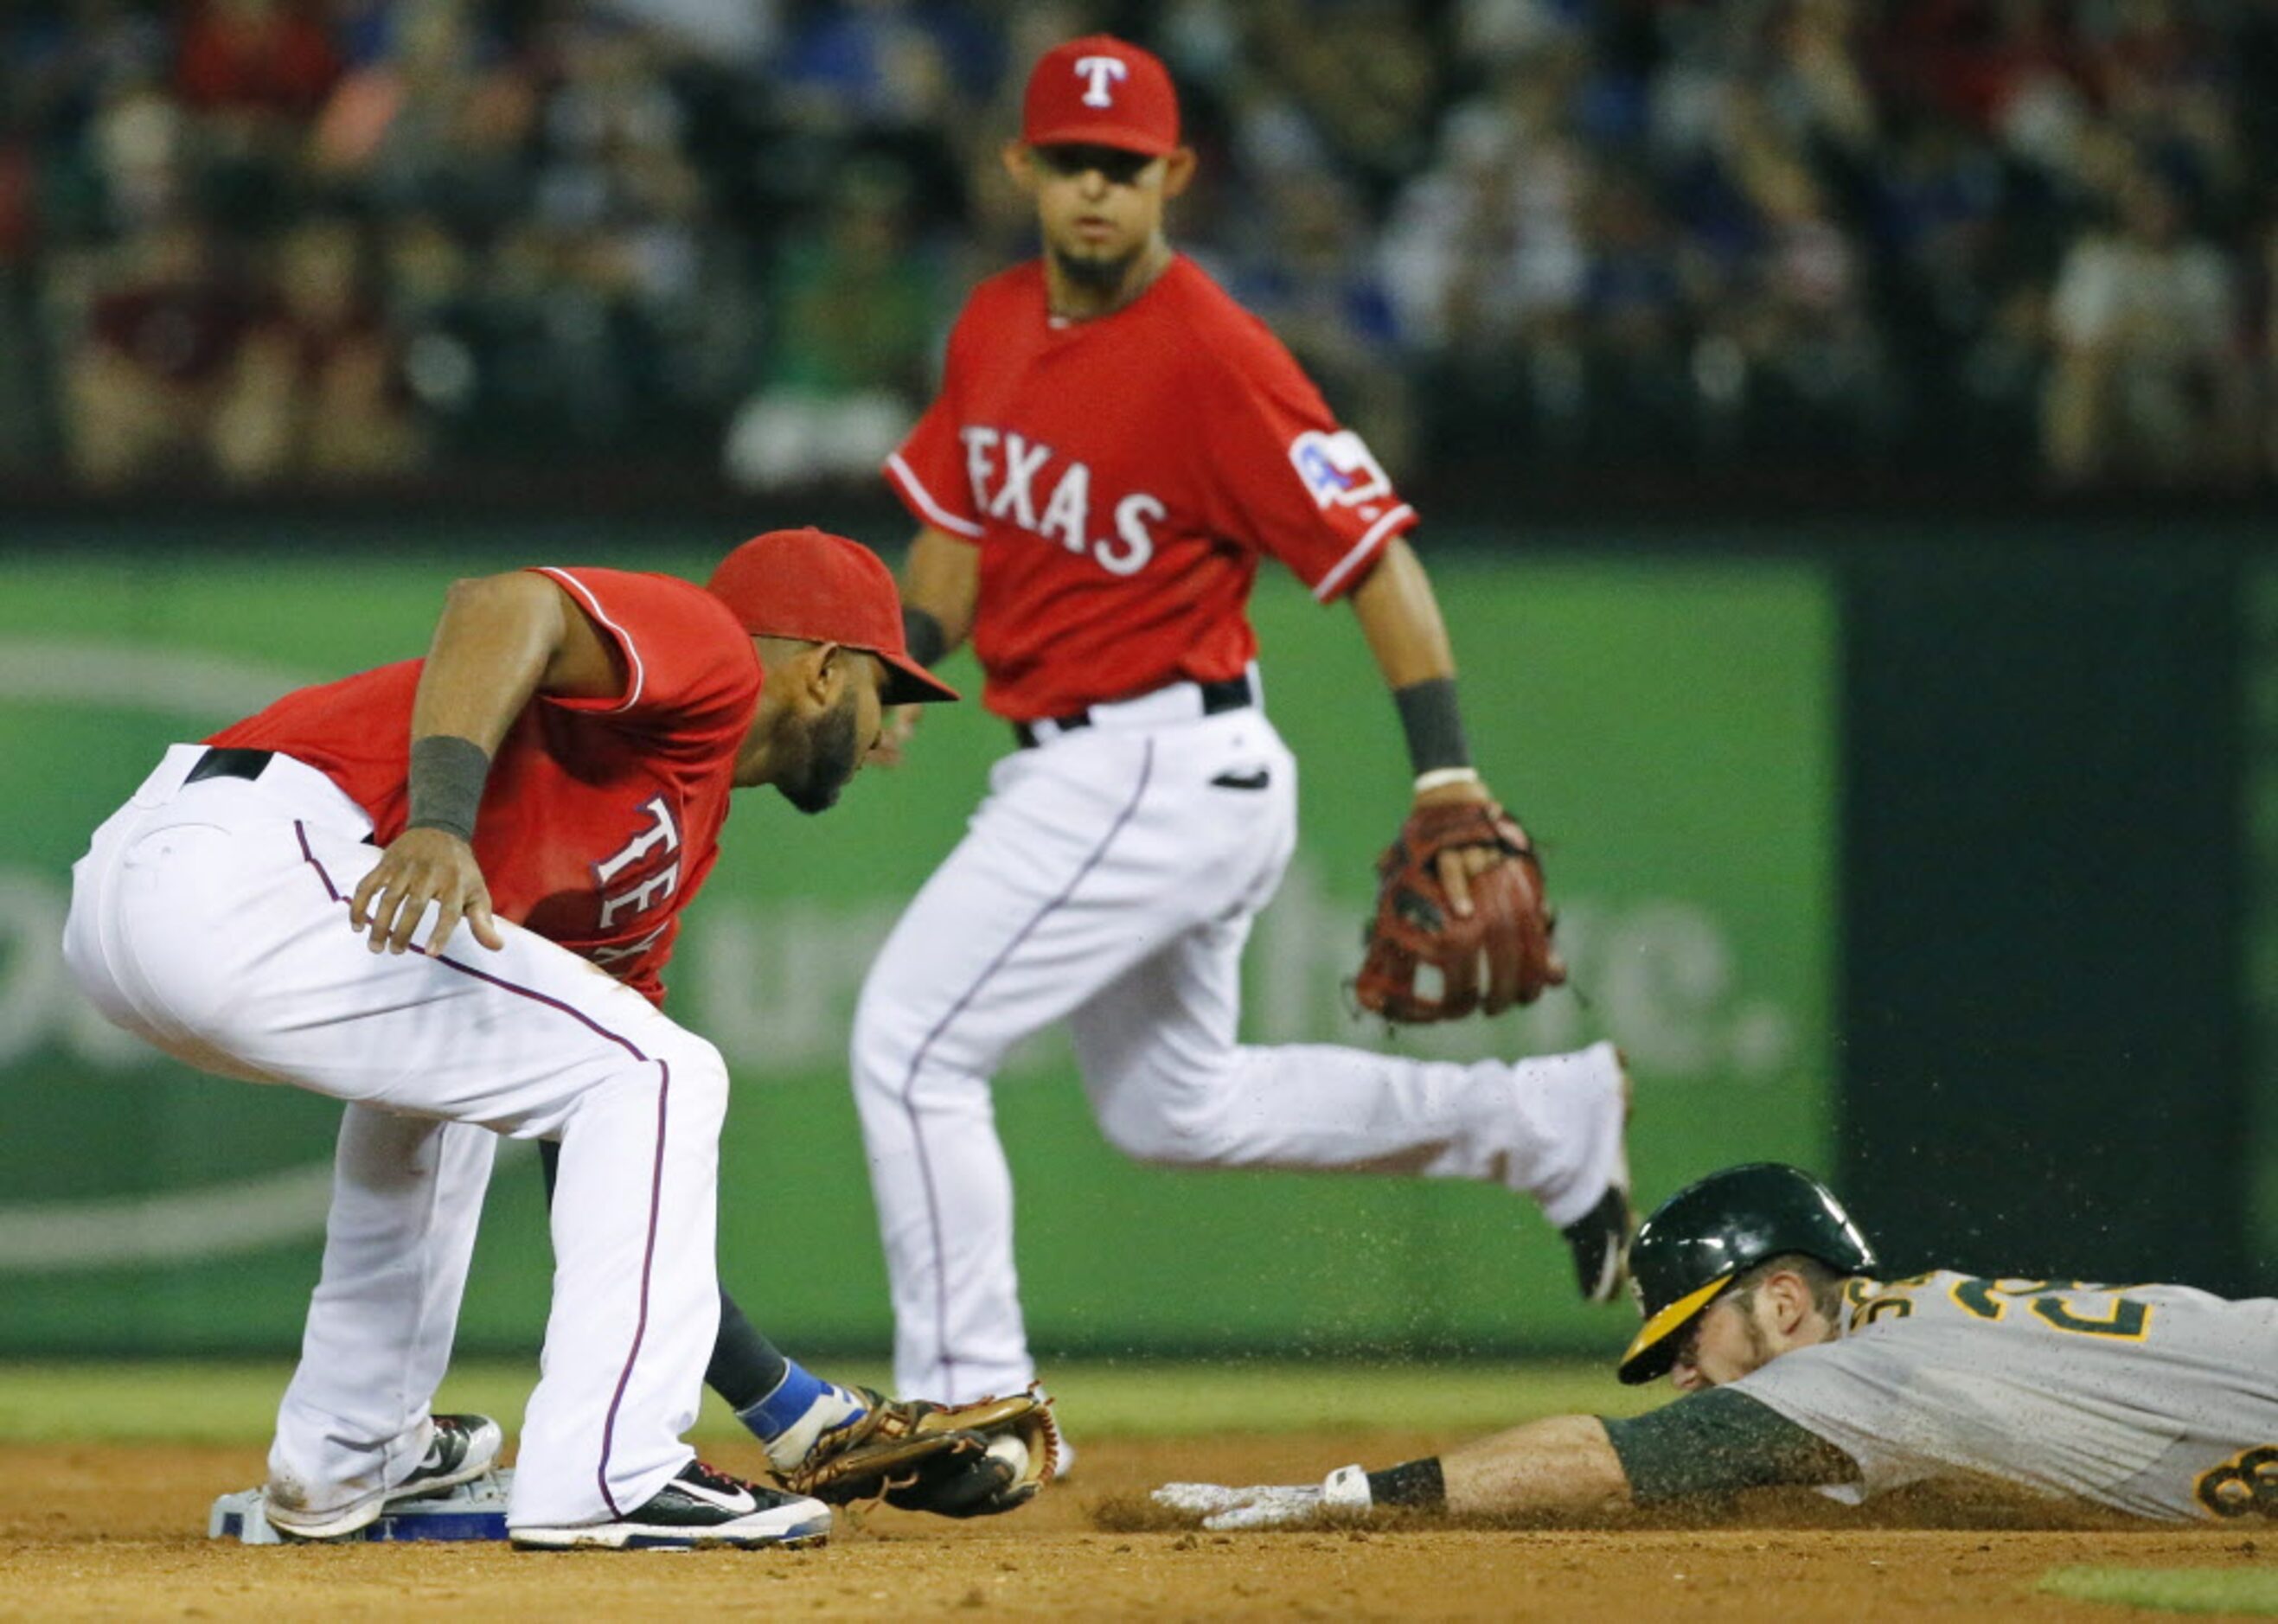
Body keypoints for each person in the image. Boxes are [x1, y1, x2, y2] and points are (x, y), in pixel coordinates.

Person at [852, 34, 1635, 1441]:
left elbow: (1374, 556)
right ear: (1021, 167)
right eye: (1071, 162)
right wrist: (884, 677)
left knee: (908, 1043)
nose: (1096, 190)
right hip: (1100, 764)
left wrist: (1443, 765)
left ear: (1173, 176)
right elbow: (951, 555)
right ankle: (1539, 1120)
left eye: (1124, 167)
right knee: (1173, 1104)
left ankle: (967, 1397)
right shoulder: (988, 326)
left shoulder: (1216, 355)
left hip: (1151, 758)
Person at [62, 527, 958, 1550]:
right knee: (665, 1068)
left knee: (514, 1091)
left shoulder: (672, 848)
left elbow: (599, 1144)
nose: (895, 731)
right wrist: (440, 821)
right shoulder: (707, 650)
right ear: (825, 670)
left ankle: (346, 1459)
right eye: (890, 693)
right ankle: (611, 1476)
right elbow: (498, 605)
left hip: (163, 899)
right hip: (257, 859)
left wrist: (779, 1403)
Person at [1154, 1163, 2278, 1527]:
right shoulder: (1918, 1323)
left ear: (1783, 1299)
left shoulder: (1864, 1370)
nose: (1684, 1371)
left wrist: (1351, 1494)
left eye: (1691, 1333)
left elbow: (1617, 1456)